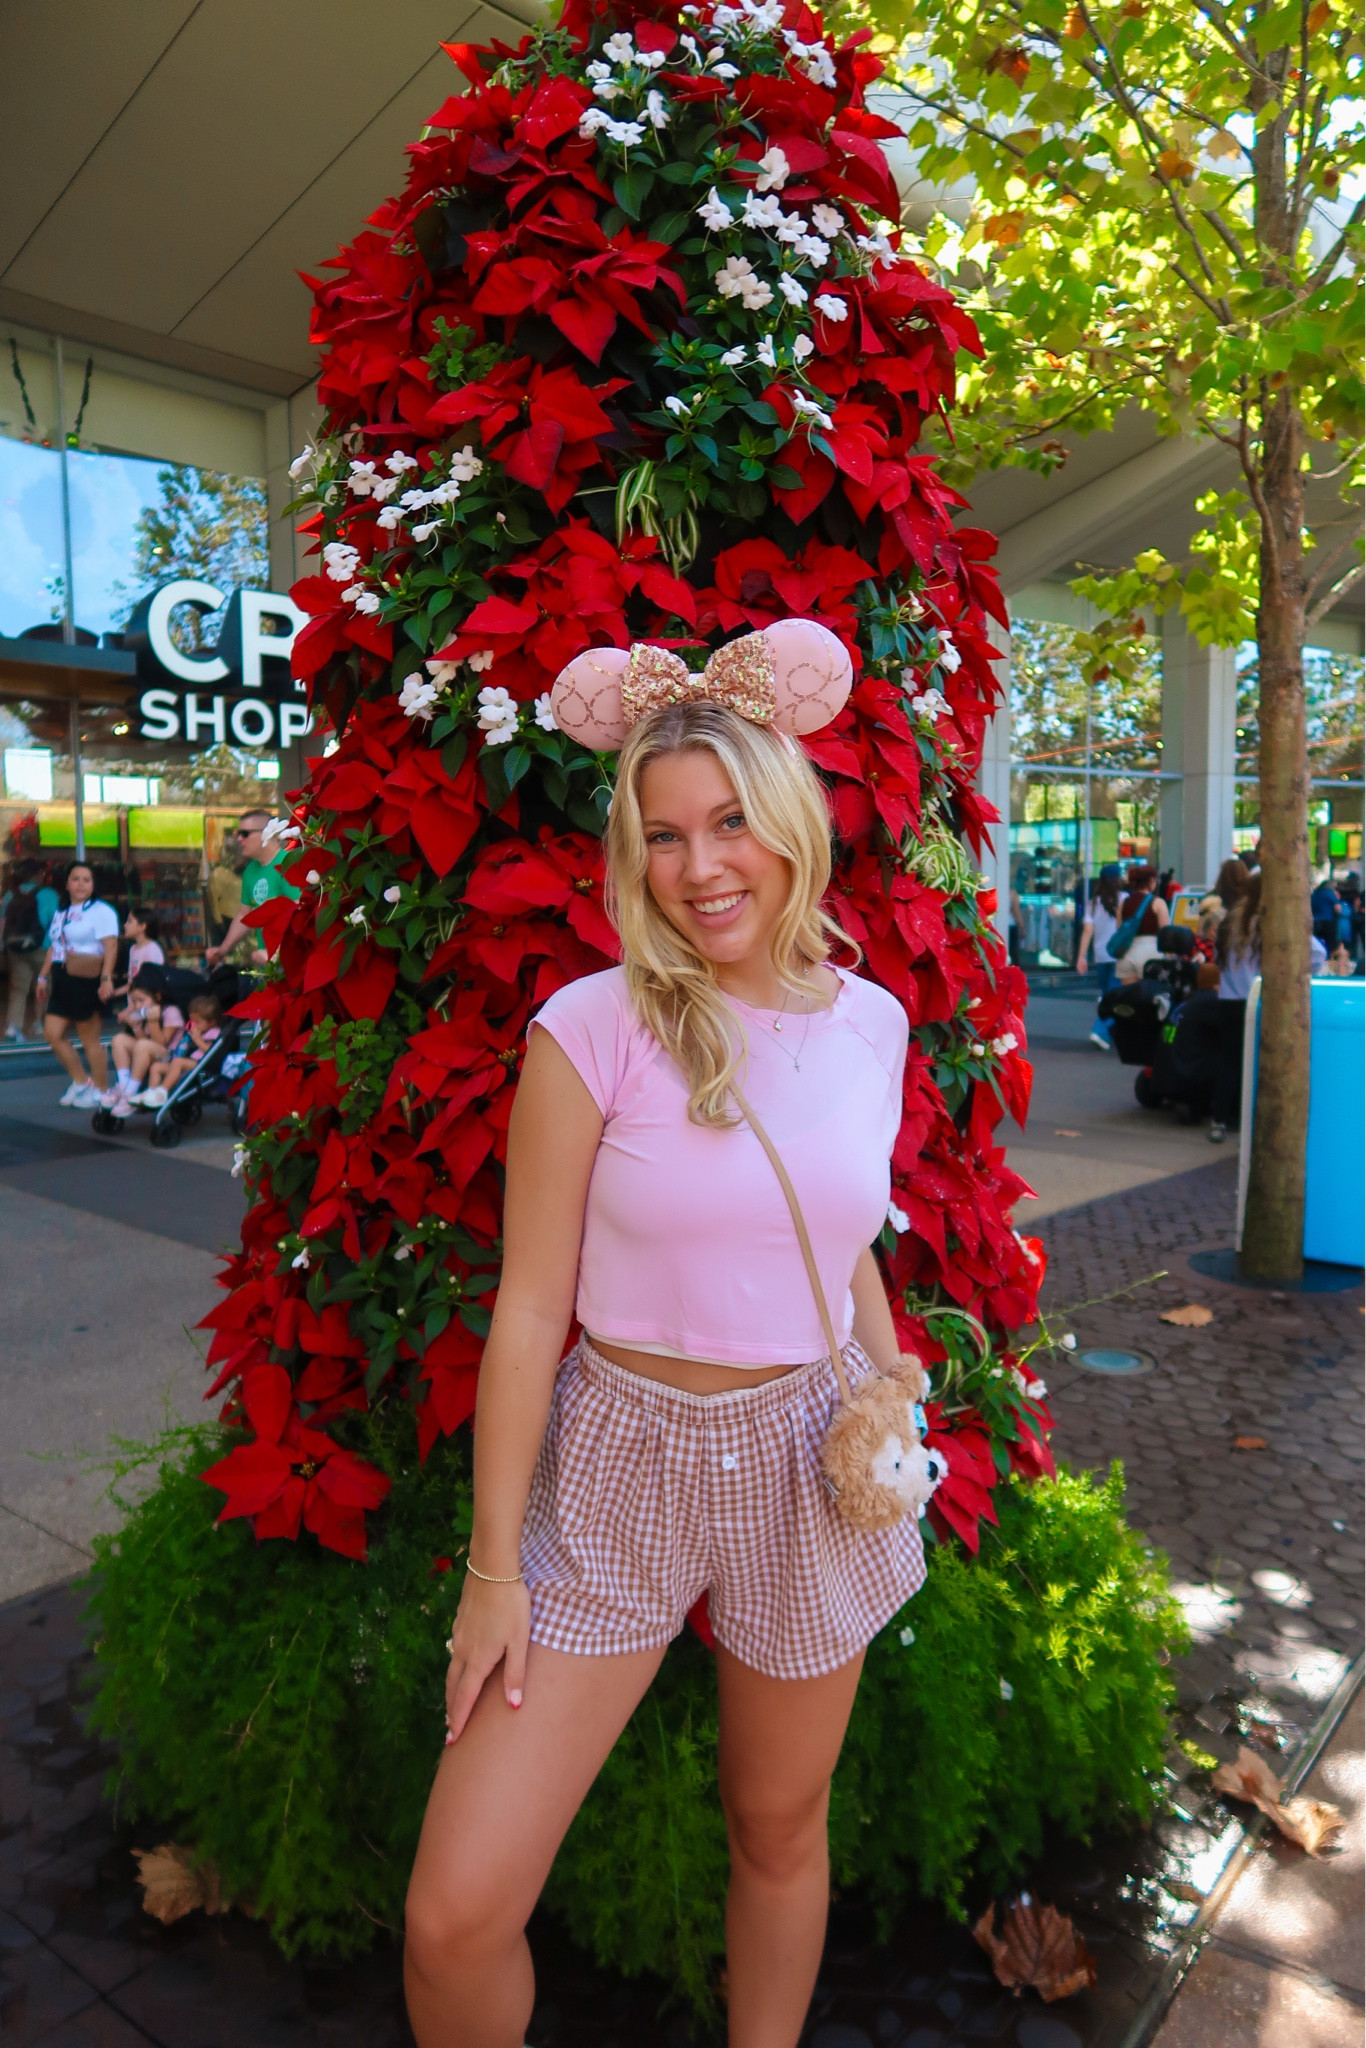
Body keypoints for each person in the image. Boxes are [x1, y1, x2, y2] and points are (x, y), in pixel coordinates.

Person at [403, 674, 921, 2048]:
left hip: (808, 1459)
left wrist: (892, 1399)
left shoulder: (871, 1025)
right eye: (665, 835)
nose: (700, 867)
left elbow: (844, 1239)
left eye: (729, 821)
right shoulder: (590, 1028)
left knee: (777, 1826)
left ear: (790, 821)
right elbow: (530, 1311)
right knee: (452, 1919)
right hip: (617, 1462)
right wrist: (494, 1572)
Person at [34, 864, 120, 1107]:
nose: (81, 884)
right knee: (52, 1033)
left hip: (87, 978)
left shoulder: (101, 911)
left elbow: (111, 946)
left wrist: (106, 978)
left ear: (93, 885)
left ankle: (102, 1091)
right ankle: (81, 1082)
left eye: (86, 880)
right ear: (67, 883)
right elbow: (55, 946)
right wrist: (42, 977)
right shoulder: (62, 911)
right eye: (76, 879)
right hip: (62, 977)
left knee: (89, 1038)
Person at [204, 811, 299, 967]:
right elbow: (245, 915)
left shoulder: (287, 864)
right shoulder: (251, 870)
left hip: (290, 962)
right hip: (267, 962)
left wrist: (277, 954)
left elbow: (299, 913)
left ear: (266, 833)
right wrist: (222, 950)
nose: (239, 839)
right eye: (238, 834)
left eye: (245, 834)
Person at [1209, 871, 1262, 1144]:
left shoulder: (1230, 920)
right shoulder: (1265, 922)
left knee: (1229, 1061)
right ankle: (1245, 1118)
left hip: (1228, 999)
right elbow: (1316, 953)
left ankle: (1220, 1119)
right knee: (1255, 1062)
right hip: (1256, 999)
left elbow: (1216, 957)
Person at [107, 965, 186, 1112]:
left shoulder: (171, 1012)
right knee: (119, 1039)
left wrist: (153, 1022)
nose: (137, 1005)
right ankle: (123, 1085)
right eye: (134, 1001)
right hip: (149, 1052)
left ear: (157, 996)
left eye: (141, 1000)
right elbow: (142, 1043)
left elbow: (162, 1043)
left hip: (169, 1057)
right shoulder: (144, 1014)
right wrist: (136, 1027)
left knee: (143, 1045)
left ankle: (131, 1092)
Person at [3, 859, 60, 1043]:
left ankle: (13, 1027)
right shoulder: (49, 894)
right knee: (43, 985)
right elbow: (55, 922)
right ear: (40, 874)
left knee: (19, 988)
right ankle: (39, 1023)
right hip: (42, 947)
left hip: (16, 948)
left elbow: (3, 922)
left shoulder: (10, 895)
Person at [134, 992, 222, 1106]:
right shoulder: (200, 1031)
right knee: (156, 1067)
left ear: (211, 1022)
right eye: (192, 1021)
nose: (194, 1025)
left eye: (197, 1022)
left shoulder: (214, 1033)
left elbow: (211, 1052)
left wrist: (197, 1040)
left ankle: (162, 1092)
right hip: (188, 1063)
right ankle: (151, 1093)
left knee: (177, 1062)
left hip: (202, 1065)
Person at [1075, 862, 1123, 1050]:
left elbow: (1087, 930)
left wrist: (1082, 957)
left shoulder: (1093, 903)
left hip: (1101, 956)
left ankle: (1112, 1032)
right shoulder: (1124, 899)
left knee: (1107, 995)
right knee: (1113, 996)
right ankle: (1101, 1031)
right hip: (1119, 955)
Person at [1116, 863, 1170, 971]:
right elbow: (1165, 932)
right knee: (1150, 982)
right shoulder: (1158, 903)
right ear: (1151, 880)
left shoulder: (1123, 903)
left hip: (1126, 953)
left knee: (1128, 982)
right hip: (1151, 953)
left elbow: (1119, 928)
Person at [114, 908, 165, 997]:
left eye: (129, 921)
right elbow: (131, 981)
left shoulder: (152, 950)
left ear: (142, 926)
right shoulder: (133, 949)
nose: (125, 925)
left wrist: (114, 994)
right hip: (135, 1001)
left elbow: (149, 985)